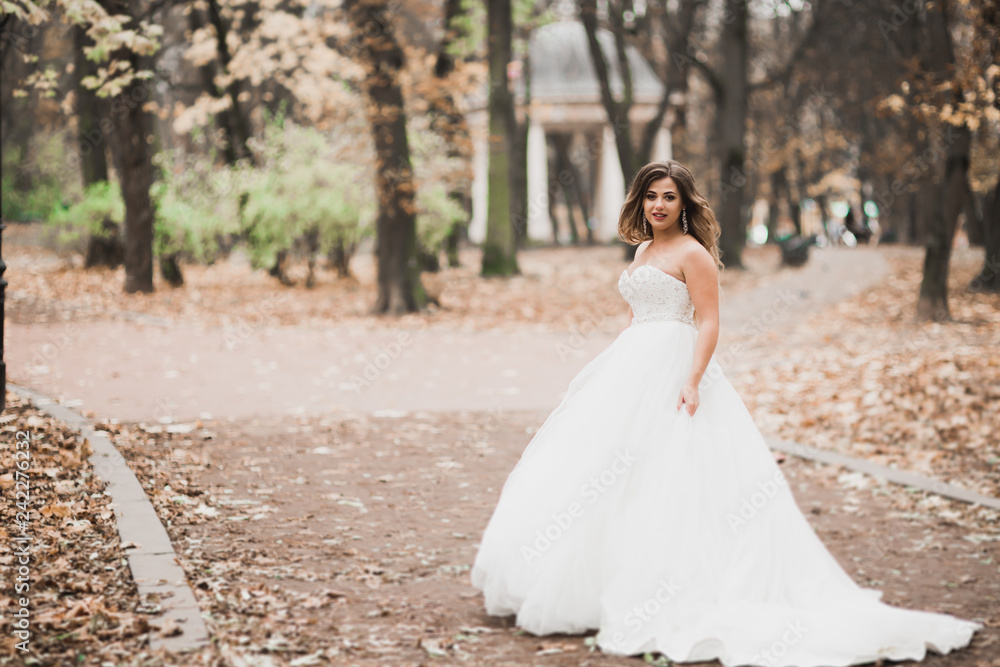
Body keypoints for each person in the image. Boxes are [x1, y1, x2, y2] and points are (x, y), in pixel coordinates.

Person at [469, 160, 981, 666]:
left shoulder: (695, 255)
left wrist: (691, 380)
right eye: (651, 196)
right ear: (640, 201)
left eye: (669, 197)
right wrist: (614, 368)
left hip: (676, 365)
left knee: (673, 470)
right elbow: (634, 315)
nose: (659, 205)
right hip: (632, 364)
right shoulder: (643, 249)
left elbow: (710, 322)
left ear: (685, 203)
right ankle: (597, 584)